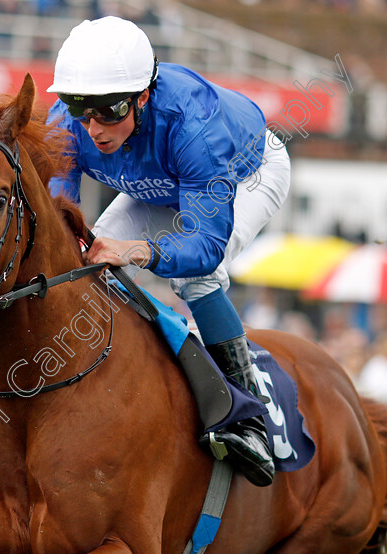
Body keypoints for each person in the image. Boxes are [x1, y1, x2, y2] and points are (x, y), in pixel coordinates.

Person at [46, 17, 291, 487]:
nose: (94, 128)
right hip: (160, 182)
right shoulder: (66, 124)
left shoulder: (195, 126)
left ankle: (246, 415)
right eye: (80, 108)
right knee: (85, 264)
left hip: (246, 175)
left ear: (142, 96)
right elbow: (63, 222)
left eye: (109, 111)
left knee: (195, 278)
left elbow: (205, 246)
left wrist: (136, 251)